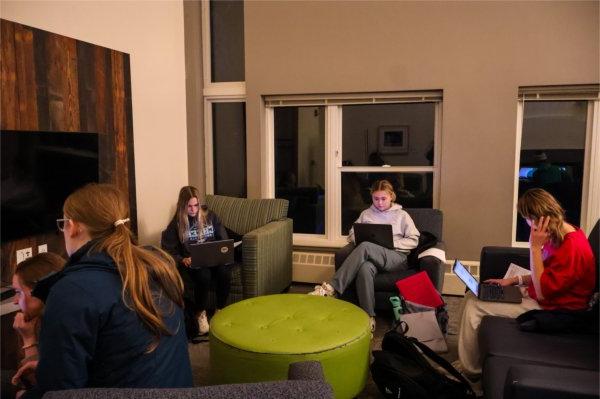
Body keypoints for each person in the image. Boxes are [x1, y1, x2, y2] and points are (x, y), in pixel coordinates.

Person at [15, 183, 192, 398]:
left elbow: (59, 393)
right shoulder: (158, 263)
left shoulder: (72, 291)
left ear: (73, 226)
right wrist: (46, 368)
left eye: (62, 224)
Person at [456, 188, 596, 377]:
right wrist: (512, 280)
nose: (527, 223)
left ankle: (471, 371)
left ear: (537, 218)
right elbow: (546, 273)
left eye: (527, 219)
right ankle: (467, 358)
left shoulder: (572, 247)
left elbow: (542, 292)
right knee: (472, 295)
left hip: (559, 309)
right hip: (547, 297)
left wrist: (535, 247)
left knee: (475, 306)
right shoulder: (560, 234)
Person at [309, 179, 420, 331]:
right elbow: (352, 234)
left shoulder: (402, 215)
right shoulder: (366, 213)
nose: (379, 203)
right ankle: (369, 316)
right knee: (364, 268)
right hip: (373, 257)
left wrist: (391, 243)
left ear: (391, 197)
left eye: (383, 198)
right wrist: (360, 237)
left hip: (396, 257)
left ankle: (331, 287)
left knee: (366, 247)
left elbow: (414, 240)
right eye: (376, 198)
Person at [161, 186, 231, 336]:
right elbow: (167, 251)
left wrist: (220, 251)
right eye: (189, 206)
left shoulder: (211, 217)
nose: (193, 209)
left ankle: (220, 310)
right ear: (182, 206)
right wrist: (182, 259)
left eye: (196, 205)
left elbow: (223, 239)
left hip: (213, 259)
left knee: (224, 272)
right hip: (194, 264)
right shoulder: (176, 225)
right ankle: (200, 313)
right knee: (203, 276)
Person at [10, 253, 65, 391]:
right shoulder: (53, 314)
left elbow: (40, 385)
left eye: (18, 292)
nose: (15, 301)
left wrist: (28, 340)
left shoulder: (61, 325)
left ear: (38, 291)